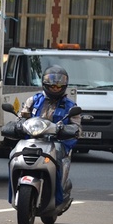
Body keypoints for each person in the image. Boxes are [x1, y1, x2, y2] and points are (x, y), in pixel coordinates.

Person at [20, 65, 82, 206]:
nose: (55, 86)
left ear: (65, 84)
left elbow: (77, 126)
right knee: (14, 155)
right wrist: (17, 125)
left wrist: (69, 130)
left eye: (59, 84)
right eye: (52, 84)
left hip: (58, 142)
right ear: (44, 83)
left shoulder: (71, 106)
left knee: (57, 161)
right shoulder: (33, 101)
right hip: (33, 139)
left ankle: (57, 199)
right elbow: (22, 117)